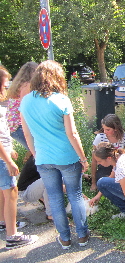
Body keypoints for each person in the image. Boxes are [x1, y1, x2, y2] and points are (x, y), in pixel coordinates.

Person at [20, 60, 89, 250]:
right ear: (57, 78)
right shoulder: (61, 100)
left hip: (43, 158)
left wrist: (36, 154)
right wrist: (83, 158)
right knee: (74, 195)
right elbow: (72, 134)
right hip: (67, 157)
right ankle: (83, 235)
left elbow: (27, 134)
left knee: (56, 197)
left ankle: (65, 239)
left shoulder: (25, 101)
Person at [0, 66, 38, 250]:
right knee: (11, 191)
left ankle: (3, 222)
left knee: (2, 188)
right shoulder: (27, 87)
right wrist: (7, 159)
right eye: (4, 83)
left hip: (7, 142)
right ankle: (12, 236)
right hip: (5, 150)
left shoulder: (5, 100)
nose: (7, 86)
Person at [90, 114, 125, 191]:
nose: (105, 132)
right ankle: (91, 178)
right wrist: (93, 183)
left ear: (115, 128)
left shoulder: (124, 137)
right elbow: (94, 160)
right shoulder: (100, 137)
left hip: (119, 165)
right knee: (102, 181)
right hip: (104, 164)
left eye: (108, 129)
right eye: (104, 129)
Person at [6, 62, 38, 150]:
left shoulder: (19, 84)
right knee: (38, 152)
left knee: (36, 152)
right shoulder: (27, 85)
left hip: (14, 125)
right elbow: (26, 106)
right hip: (19, 125)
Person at [17, 155, 52, 220]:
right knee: (48, 180)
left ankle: (49, 206)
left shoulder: (42, 155)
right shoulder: (41, 159)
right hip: (25, 192)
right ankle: (51, 214)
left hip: (34, 188)